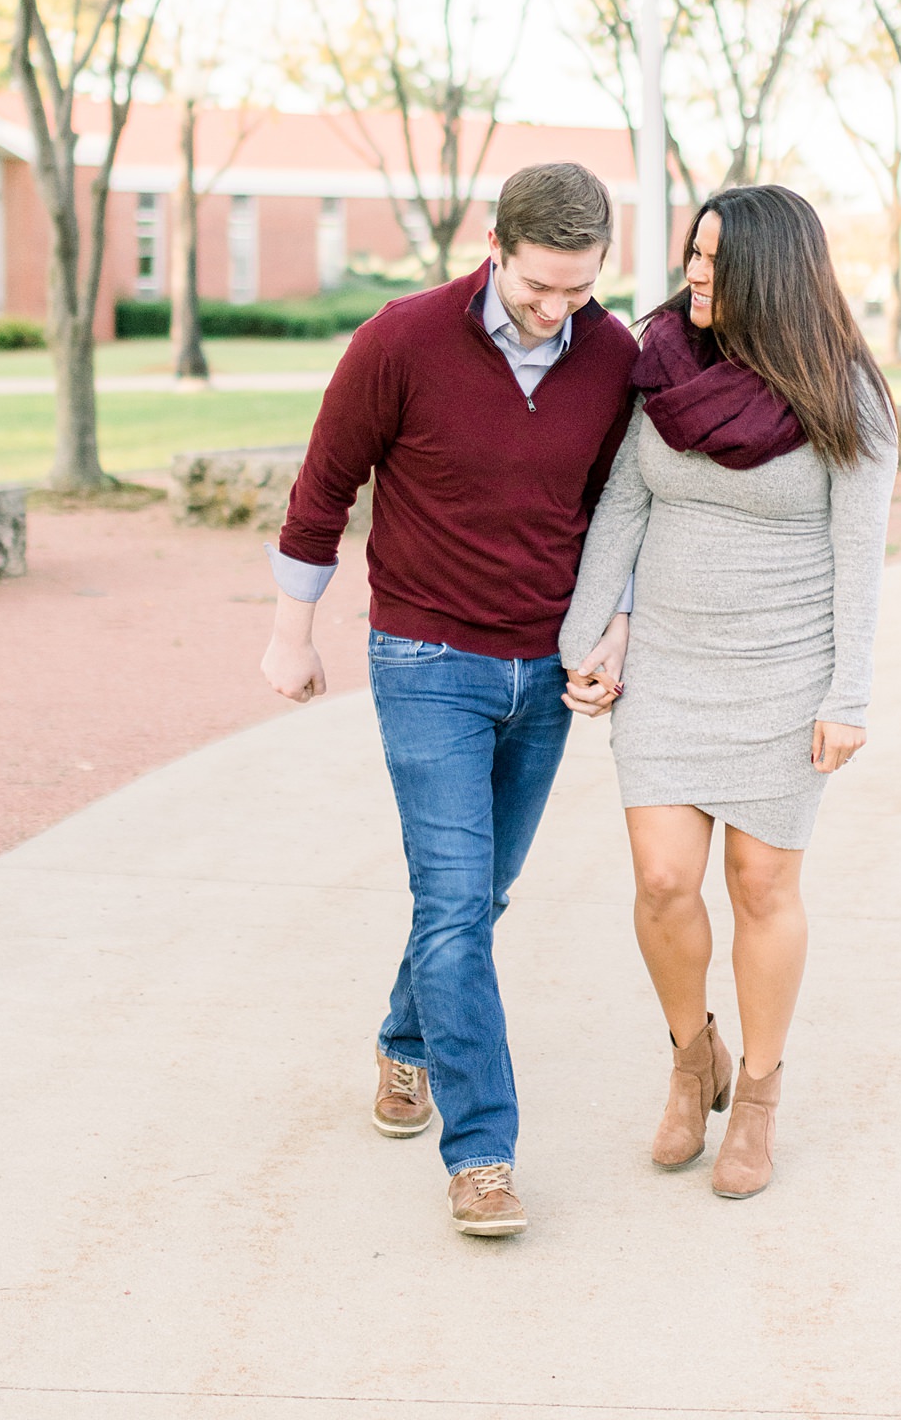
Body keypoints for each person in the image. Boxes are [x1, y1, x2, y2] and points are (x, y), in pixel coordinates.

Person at [260, 162, 636, 1238]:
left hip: (548, 671)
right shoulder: (402, 340)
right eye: (536, 288)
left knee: (476, 899)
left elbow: (622, 508)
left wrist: (615, 629)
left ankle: (405, 1040)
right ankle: (482, 1155)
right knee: (458, 902)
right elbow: (322, 488)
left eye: (578, 288)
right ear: (493, 244)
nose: (556, 310)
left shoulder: (612, 355)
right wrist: (292, 635)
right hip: (426, 658)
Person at [560, 184, 896, 1201]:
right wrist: (588, 638)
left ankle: (754, 1094)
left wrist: (850, 694)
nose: (693, 273)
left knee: (760, 887)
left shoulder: (844, 394)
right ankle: (687, 1054)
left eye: (714, 259)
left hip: (787, 675)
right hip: (669, 666)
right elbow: (621, 504)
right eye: (692, 253)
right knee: (664, 882)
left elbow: (860, 557)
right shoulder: (659, 362)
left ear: (771, 273)